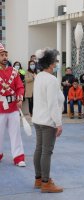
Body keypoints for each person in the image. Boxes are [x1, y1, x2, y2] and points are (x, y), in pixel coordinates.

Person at [32, 48, 64, 193]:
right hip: (47, 121)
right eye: (56, 61)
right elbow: (53, 104)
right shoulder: (52, 80)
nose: (57, 64)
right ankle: (45, 182)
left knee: (39, 149)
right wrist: (58, 123)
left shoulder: (39, 76)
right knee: (47, 151)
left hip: (37, 119)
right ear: (50, 64)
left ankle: (38, 179)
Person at [0, 43, 26, 167]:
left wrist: (20, 98)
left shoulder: (14, 72)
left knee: (15, 133)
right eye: (2, 55)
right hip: (0, 108)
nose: (4, 57)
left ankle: (18, 157)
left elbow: (20, 87)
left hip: (13, 107)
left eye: (6, 55)